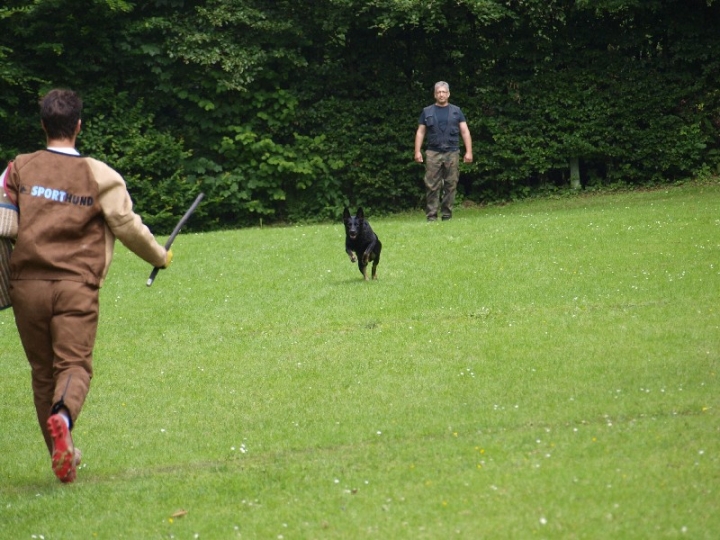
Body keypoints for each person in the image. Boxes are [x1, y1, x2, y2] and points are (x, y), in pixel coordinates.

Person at [1, 88, 173, 483]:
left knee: (43, 372)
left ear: (43, 125)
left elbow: (4, 224)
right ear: (78, 126)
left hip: (26, 284)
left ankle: (62, 454)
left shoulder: (18, 168)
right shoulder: (100, 174)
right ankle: (63, 418)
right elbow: (127, 227)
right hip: (76, 284)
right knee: (74, 365)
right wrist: (158, 257)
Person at [414, 81, 473, 221]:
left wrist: (469, 151)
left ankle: (447, 215)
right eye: (438, 92)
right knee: (431, 185)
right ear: (435, 94)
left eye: (444, 92)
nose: (441, 94)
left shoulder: (456, 111)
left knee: (451, 184)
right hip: (432, 153)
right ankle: (431, 216)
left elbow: (465, 131)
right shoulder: (427, 111)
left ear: (448, 94)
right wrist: (417, 151)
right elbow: (420, 132)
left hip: (452, 152)